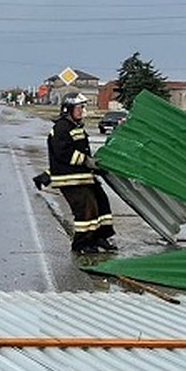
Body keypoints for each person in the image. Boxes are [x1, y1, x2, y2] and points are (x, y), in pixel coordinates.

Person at [46, 93, 116, 254]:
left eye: (83, 107)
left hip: (83, 176)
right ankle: (82, 244)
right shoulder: (61, 128)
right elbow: (63, 153)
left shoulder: (75, 127)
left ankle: (100, 237)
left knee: (102, 204)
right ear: (68, 109)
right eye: (79, 108)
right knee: (87, 210)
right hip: (70, 179)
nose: (82, 111)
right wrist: (86, 161)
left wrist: (93, 164)